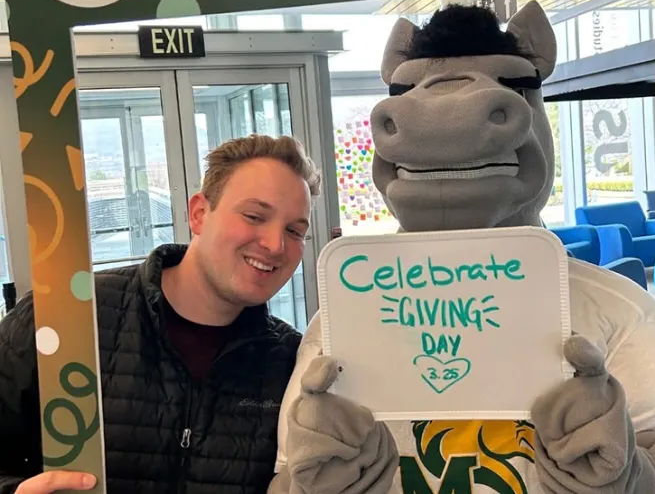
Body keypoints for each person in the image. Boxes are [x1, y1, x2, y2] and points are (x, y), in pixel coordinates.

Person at [276, 2, 655, 493]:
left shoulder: (621, 311)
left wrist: (622, 475)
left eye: (508, 87)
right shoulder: (343, 320)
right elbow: (289, 473)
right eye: (410, 90)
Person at [0, 134, 398, 493]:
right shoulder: (66, 318)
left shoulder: (291, 367)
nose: (276, 244)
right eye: (254, 216)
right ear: (199, 214)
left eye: (295, 231)